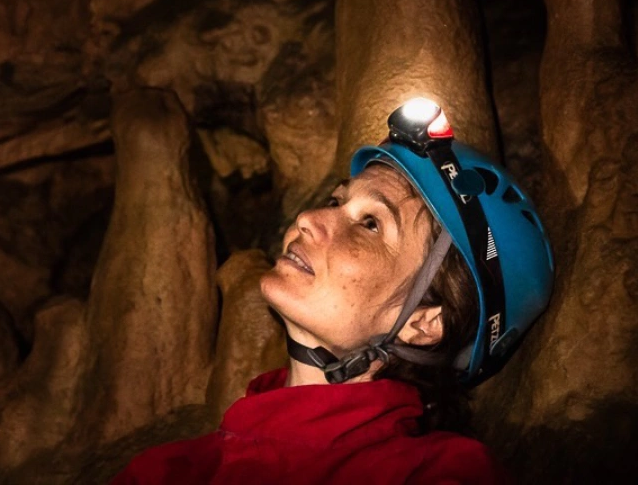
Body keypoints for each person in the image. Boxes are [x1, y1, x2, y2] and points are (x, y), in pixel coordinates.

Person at [112, 99, 554, 484]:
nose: (308, 218)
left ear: (423, 322)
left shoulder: (440, 475)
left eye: (370, 224)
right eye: (335, 202)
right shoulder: (167, 471)